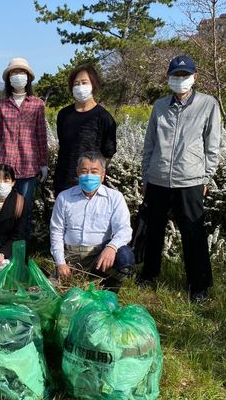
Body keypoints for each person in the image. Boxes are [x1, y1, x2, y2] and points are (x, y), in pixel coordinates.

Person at [138, 55, 221, 303]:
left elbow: (213, 145)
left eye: (185, 76)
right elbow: (149, 143)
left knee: (193, 232)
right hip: (158, 178)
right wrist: (146, 175)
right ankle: (149, 275)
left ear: (195, 77)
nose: (180, 80)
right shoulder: (160, 106)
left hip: (190, 180)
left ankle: (199, 284)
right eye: (175, 76)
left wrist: (205, 177)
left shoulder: (208, 104)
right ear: (168, 78)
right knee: (154, 230)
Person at [50, 152, 134, 292]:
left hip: (99, 255)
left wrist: (111, 247)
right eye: (84, 171)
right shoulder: (64, 198)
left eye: (94, 171)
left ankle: (109, 288)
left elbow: (124, 230)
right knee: (53, 295)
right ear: (77, 173)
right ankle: (73, 277)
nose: (89, 175)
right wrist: (60, 263)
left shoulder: (114, 198)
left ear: (103, 175)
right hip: (71, 255)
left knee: (125, 255)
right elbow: (56, 231)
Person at [0, 57, 48, 235]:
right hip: (5, 166)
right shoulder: (2, 105)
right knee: (4, 209)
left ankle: (22, 251)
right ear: (8, 78)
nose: (18, 76)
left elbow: (41, 136)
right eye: (14, 73)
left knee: (24, 210)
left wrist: (44, 163)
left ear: (28, 77)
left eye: (21, 72)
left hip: (29, 167)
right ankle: (2, 249)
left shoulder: (37, 104)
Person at [54, 64, 117, 195]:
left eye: (84, 82)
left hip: (90, 184)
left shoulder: (104, 117)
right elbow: (63, 145)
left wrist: (93, 175)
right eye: (76, 83)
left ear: (93, 85)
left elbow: (108, 153)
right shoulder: (64, 115)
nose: (80, 87)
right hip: (64, 181)